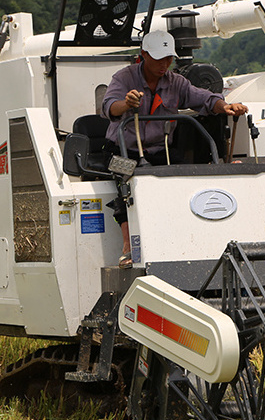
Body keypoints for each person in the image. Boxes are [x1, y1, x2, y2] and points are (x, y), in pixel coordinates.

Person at [102, 29, 248, 268]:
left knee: (176, 187)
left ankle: (175, 244)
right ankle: (129, 246)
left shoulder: (176, 82)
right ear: (144, 54)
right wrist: (126, 103)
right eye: (159, 58)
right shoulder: (124, 78)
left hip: (161, 150)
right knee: (126, 187)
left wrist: (225, 106)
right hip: (122, 149)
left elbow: (204, 98)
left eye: (168, 58)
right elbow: (109, 107)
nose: (165, 64)